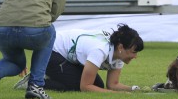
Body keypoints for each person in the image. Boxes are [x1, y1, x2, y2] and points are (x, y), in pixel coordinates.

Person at [15, 24, 144, 93]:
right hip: (50, 52)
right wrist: (118, 95)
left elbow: (112, 85)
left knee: (98, 85)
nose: (135, 56)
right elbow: (85, 86)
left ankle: (43, 77)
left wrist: (134, 89)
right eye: (133, 52)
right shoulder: (99, 50)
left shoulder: (118, 54)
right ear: (121, 47)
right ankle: (35, 82)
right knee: (76, 86)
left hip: (68, 57)